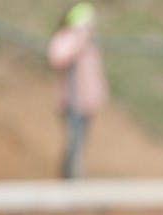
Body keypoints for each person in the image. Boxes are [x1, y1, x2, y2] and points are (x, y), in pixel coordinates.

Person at [47, 2, 109, 179]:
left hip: (86, 103)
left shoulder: (89, 43)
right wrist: (78, 38)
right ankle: (71, 181)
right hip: (72, 103)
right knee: (73, 144)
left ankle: (73, 179)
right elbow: (57, 56)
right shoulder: (68, 39)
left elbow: (94, 74)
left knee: (79, 144)